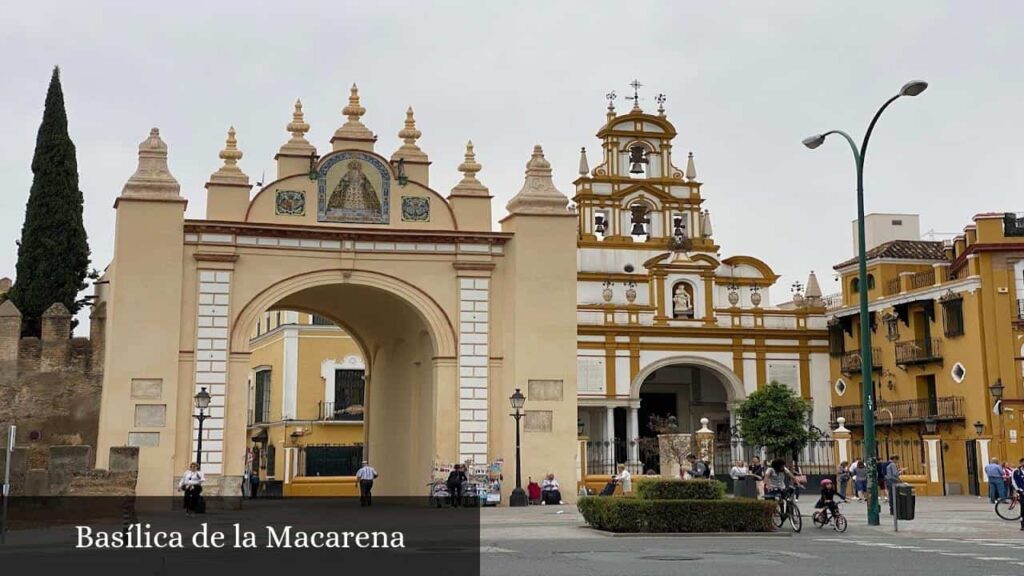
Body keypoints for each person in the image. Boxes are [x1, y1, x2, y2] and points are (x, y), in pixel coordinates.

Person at [1011, 458, 1024, 531]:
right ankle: (1023, 524)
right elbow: (1014, 481)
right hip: (1022, 492)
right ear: (1021, 463)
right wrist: (1019, 490)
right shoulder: (1016, 471)